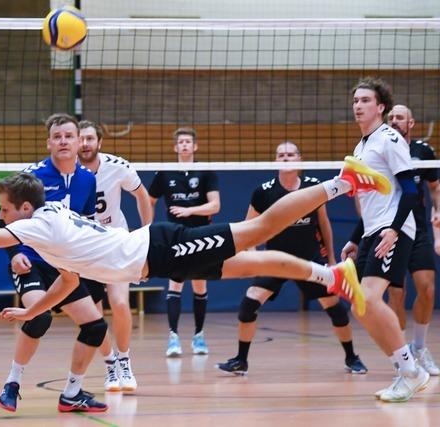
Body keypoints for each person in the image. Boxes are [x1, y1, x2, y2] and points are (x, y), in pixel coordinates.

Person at [0, 156, 390, 410]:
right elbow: (69, 281)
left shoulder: (36, 225)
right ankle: (333, 277)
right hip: (155, 258)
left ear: (24, 211)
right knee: (246, 263)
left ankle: (343, 182)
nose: (2, 217)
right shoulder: (52, 223)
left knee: (257, 232)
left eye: (6, 211)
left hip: (157, 248)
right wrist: (31, 312)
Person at [217, 142, 367, 375]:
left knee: (336, 310)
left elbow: (324, 223)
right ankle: (240, 360)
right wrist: (252, 252)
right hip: (275, 260)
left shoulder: (312, 188)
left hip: (309, 259)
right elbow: (247, 226)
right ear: (275, 160)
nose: (286, 158)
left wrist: (330, 257)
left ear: (300, 159)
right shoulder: (263, 191)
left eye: (291, 154)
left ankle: (351, 357)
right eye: (281, 155)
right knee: (248, 305)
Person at [0, 113, 107, 413]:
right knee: (39, 316)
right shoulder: (32, 177)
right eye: (57, 137)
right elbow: (1, 216)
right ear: (48, 143)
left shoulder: (88, 179)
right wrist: (14, 252)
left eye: (69, 136)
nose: (63, 142)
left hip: (65, 268)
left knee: (95, 326)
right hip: (31, 262)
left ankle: (72, 392)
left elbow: (85, 224)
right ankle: (12, 383)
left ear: (79, 141)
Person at [340, 78, 430, 402]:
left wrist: (392, 230)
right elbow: (368, 202)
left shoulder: (390, 138)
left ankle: (411, 372)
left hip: (393, 230)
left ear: (380, 107)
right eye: (355, 100)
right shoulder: (360, 147)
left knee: (370, 298)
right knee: (360, 308)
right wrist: (355, 238)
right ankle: (406, 370)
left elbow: (410, 190)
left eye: (365, 100)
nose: (358, 105)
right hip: (370, 231)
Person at [78, 120, 152, 392]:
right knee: (94, 316)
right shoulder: (67, 171)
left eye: (89, 138)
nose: (84, 144)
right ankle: (109, 364)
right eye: (80, 139)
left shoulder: (117, 166)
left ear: (99, 142)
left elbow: (142, 196)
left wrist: (146, 235)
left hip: (116, 242)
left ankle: (124, 361)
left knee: (120, 303)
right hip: (83, 248)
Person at [148, 127, 220, 357]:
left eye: (189, 142)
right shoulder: (165, 173)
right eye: (181, 142)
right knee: (175, 283)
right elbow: (148, 200)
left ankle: (199, 337)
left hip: (201, 236)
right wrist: (147, 227)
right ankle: (173, 338)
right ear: (175, 147)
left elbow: (215, 206)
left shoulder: (206, 172)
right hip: (175, 236)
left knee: (200, 285)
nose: (185, 145)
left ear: (195, 146)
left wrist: (189, 211)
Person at [385, 104, 440, 376]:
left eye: (399, 118)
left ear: (411, 123)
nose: (394, 121)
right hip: (390, 229)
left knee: (427, 288)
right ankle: (402, 355)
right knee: (396, 294)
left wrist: (438, 218)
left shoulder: (422, 151)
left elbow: (435, 189)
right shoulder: (380, 147)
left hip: (417, 229)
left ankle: (419, 347)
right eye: (391, 117)